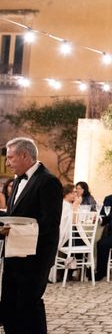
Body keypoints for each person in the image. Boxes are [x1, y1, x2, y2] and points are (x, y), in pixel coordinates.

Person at [0, 137, 63, 334]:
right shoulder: (19, 179)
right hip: (13, 253)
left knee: (29, 306)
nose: (7, 163)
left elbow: (50, 223)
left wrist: (13, 230)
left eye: (10, 158)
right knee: (10, 306)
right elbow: (16, 215)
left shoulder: (49, 182)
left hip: (36, 257)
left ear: (24, 155)